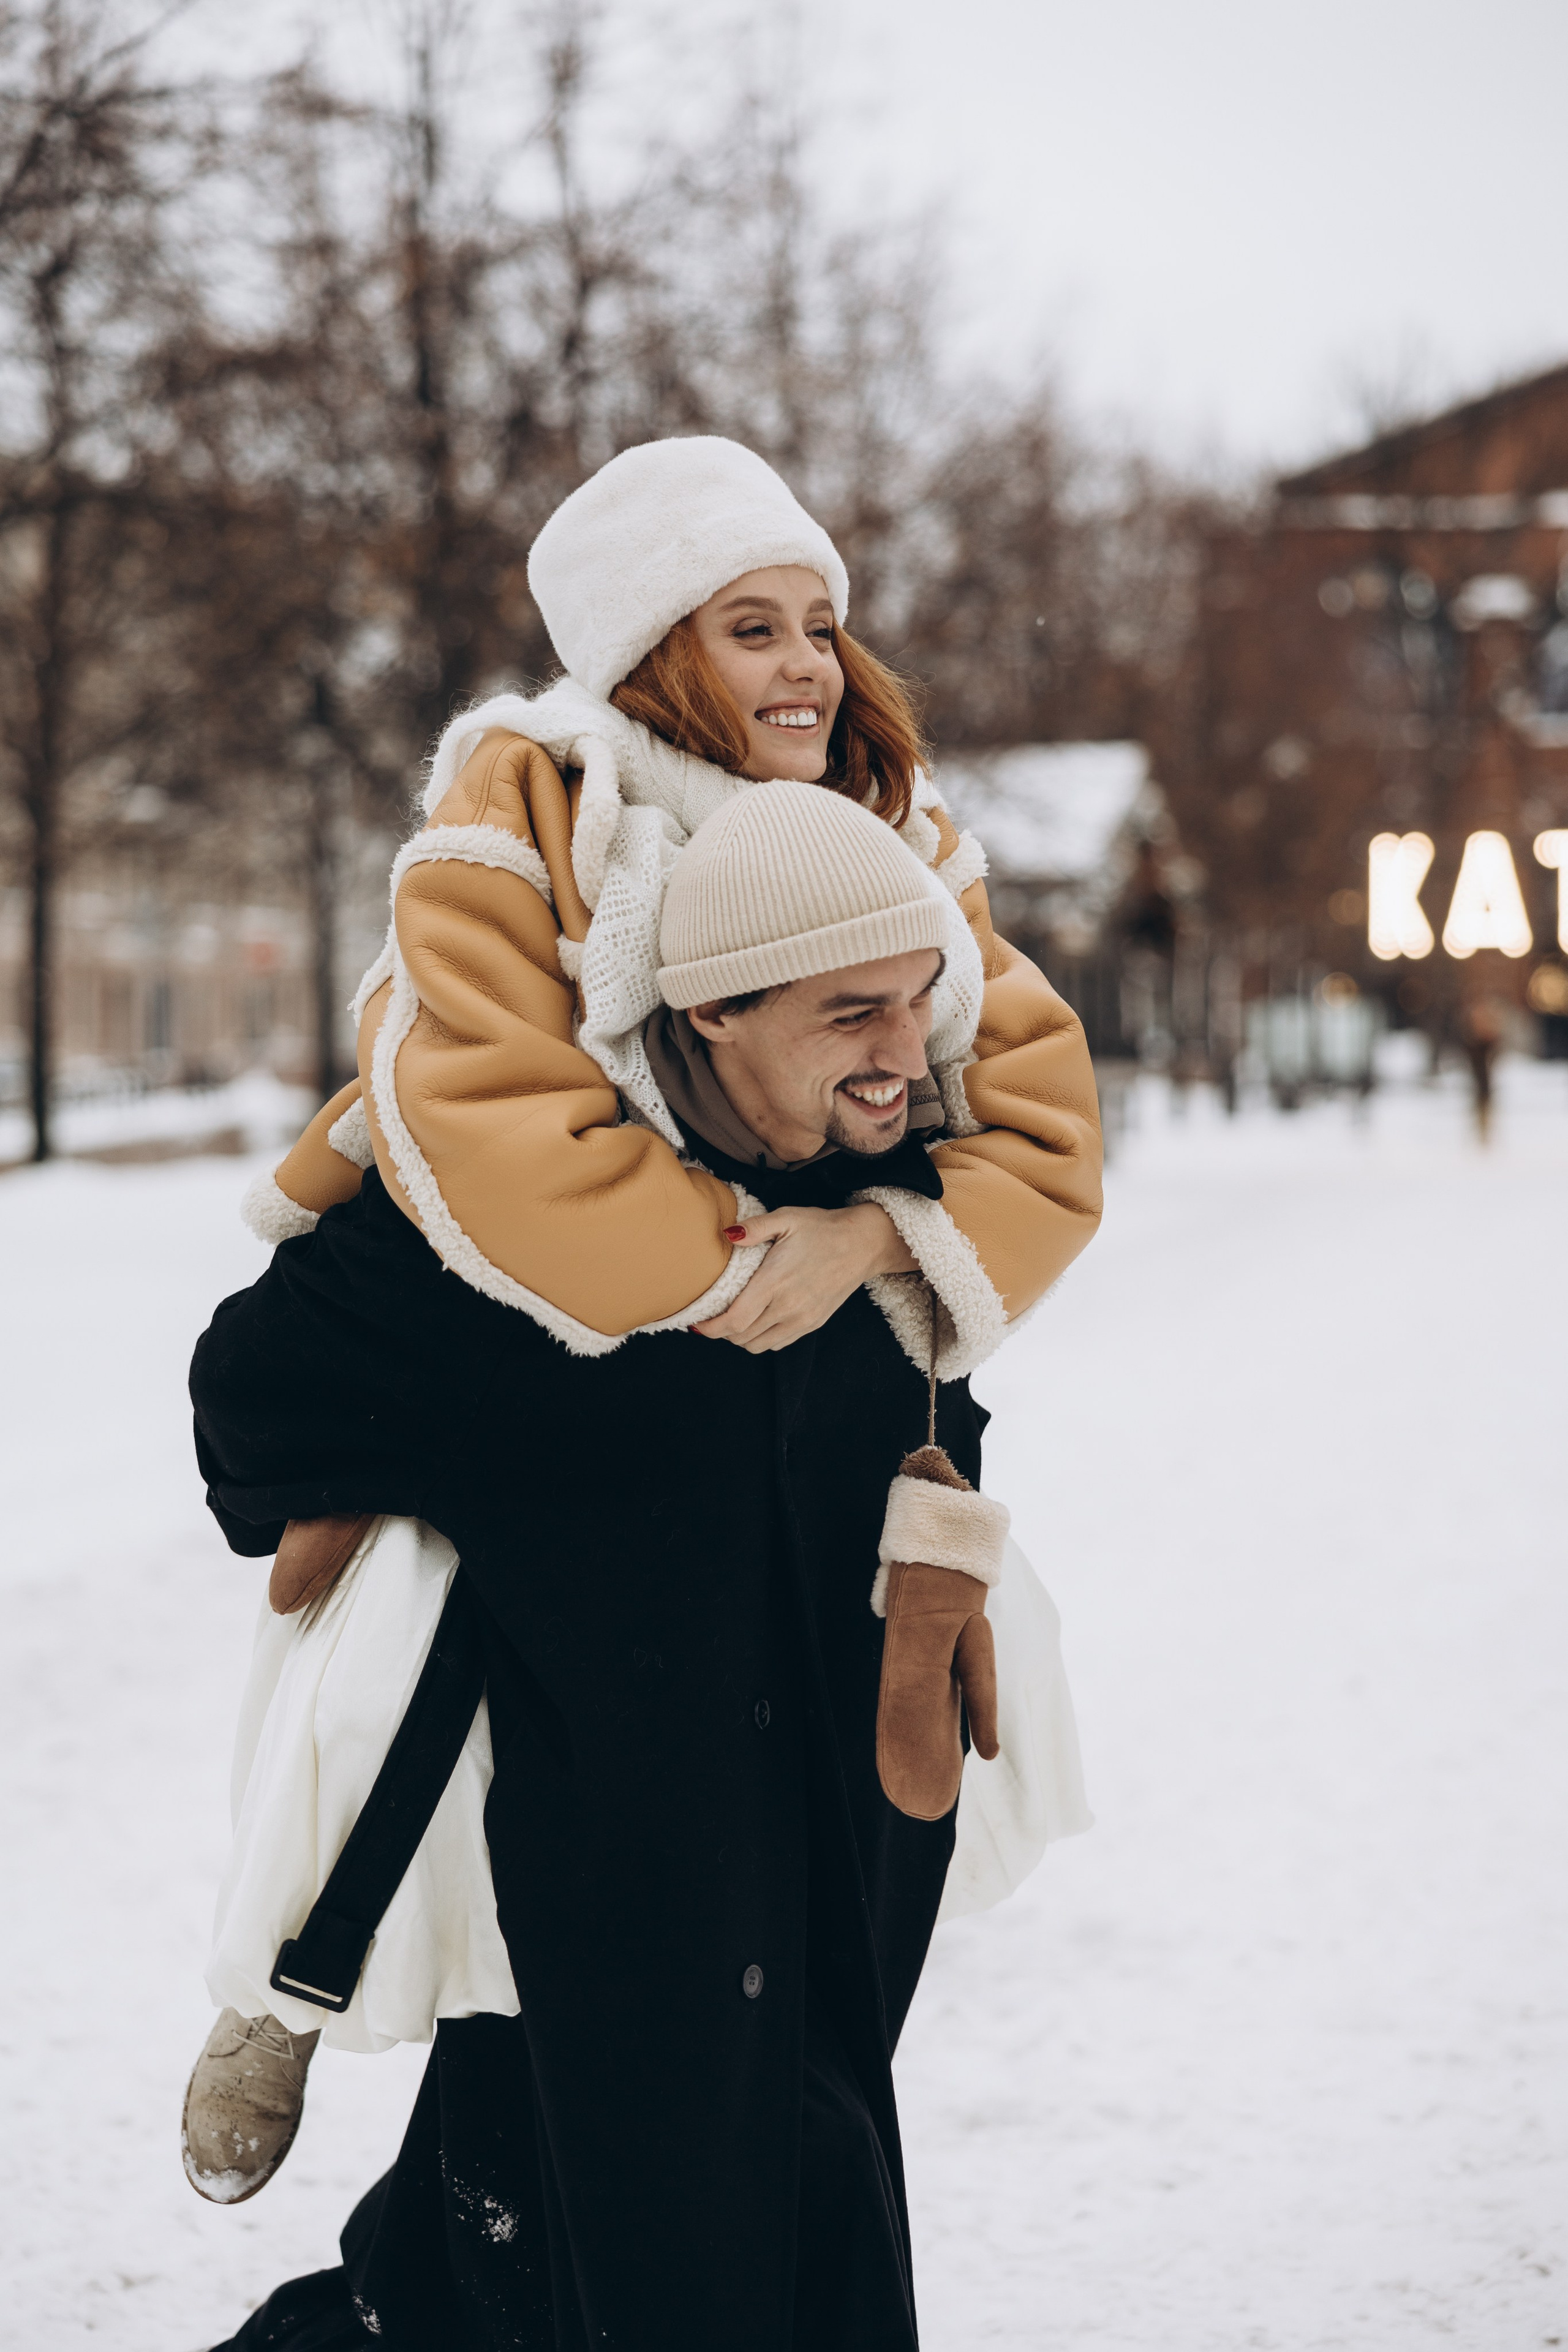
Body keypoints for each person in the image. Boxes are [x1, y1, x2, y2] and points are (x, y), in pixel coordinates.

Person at [187, 437, 1103, 2349]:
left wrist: (872, 1243)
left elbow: (1029, 1115)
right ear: (645, 652)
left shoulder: (895, 830)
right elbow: (481, 1121)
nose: (805, 668)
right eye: (749, 626)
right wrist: (710, 1270)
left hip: (798, 1676)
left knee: (725, 2143)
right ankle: (288, 2005)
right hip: (569, 1340)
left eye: (826, 628)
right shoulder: (535, 801)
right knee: (586, 2140)